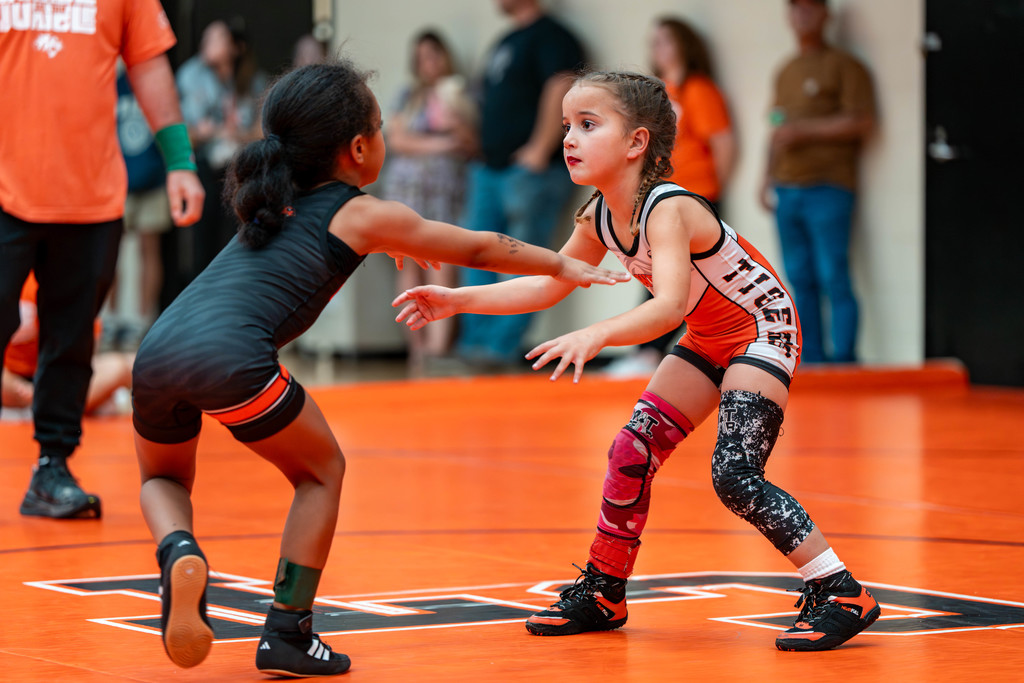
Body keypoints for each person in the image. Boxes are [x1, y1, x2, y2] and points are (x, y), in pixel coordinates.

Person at [130, 60, 627, 676]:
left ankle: (178, 549)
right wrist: (560, 264)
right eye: (382, 128)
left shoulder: (268, 203)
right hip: (232, 360)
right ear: (360, 148)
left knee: (163, 479)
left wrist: (381, 239)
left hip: (155, 354)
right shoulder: (361, 213)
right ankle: (286, 632)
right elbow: (475, 246)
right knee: (321, 472)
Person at [395, 70, 881, 652]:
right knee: (633, 450)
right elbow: (548, 284)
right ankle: (604, 590)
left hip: (761, 329)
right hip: (708, 334)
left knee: (734, 474)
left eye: (588, 125)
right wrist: (457, 300)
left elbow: (668, 306)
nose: (569, 137)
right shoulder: (600, 213)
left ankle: (840, 590)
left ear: (637, 142)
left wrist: (598, 334)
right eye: (568, 125)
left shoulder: (666, 208)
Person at [0, 0, 204, 519]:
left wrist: (179, 162)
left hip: (90, 197)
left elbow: (148, 64)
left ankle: (53, 467)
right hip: (5, 189)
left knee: (71, 340)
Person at [456, 0, 585, 368]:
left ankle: (498, 351)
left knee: (522, 261)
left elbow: (561, 86)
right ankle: (474, 349)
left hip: (529, 172)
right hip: (491, 169)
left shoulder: (553, 36)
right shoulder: (507, 39)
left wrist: (539, 150)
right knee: (474, 255)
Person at [606, 17, 737, 377]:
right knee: (659, 274)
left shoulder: (698, 89)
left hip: (695, 198)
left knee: (673, 277)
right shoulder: (658, 93)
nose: (658, 48)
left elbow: (723, 142)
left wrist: (712, 194)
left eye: (667, 40)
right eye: (654, 41)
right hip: (659, 199)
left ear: (685, 45)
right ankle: (651, 353)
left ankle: (649, 353)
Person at [759, 0, 875, 364]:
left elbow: (862, 121)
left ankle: (845, 362)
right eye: (796, 9)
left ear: (826, 14)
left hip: (829, 187)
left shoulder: (845, 66)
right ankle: (812, 362)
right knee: (798, 279)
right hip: (786, 189)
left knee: (833, 276)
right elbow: (777, 128)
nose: (802, 16)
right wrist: (765, 177)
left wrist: (804, 132)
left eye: (810, 8)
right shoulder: (786, 70)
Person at [383, 30, 478, 370]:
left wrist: (456, 126)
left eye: (435, 54)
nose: (429, 63)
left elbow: (472, 143)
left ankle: (438, 348)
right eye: (422, 57)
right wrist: (441, 143)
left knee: (443, 260)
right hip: (407, 188)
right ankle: (416, 349)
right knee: (407, 262)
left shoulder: (462, 93)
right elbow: (397, 140)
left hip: (445, 189)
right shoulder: (408, 95)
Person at [173, 18, 267, 290]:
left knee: (237, 237)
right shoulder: (191, 76)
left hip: (241, 170)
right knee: (201, 240)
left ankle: (233, 299)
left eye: (216, 38)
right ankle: (198, 306)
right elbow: (183, 132)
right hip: (203, 166)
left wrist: (228, 132)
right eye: (205, 37)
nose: (206, 44)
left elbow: (261, 131)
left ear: (235, 47)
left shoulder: (253, 80)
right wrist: (215, 132)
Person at [104, 61, 175, 349]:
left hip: (153, 180)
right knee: (109, 252)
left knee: (150, 250)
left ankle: (143, 322)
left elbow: (170, 125)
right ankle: (109, 321)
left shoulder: (156, 80)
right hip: (116, 181)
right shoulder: (109, 79)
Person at [3, 274, 134, 416]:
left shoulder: (73, 282)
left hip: (59, 376)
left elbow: (86, 357)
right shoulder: (12, 274)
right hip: (13, 378)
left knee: (123, 365)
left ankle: (49, 403)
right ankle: (57, 404)